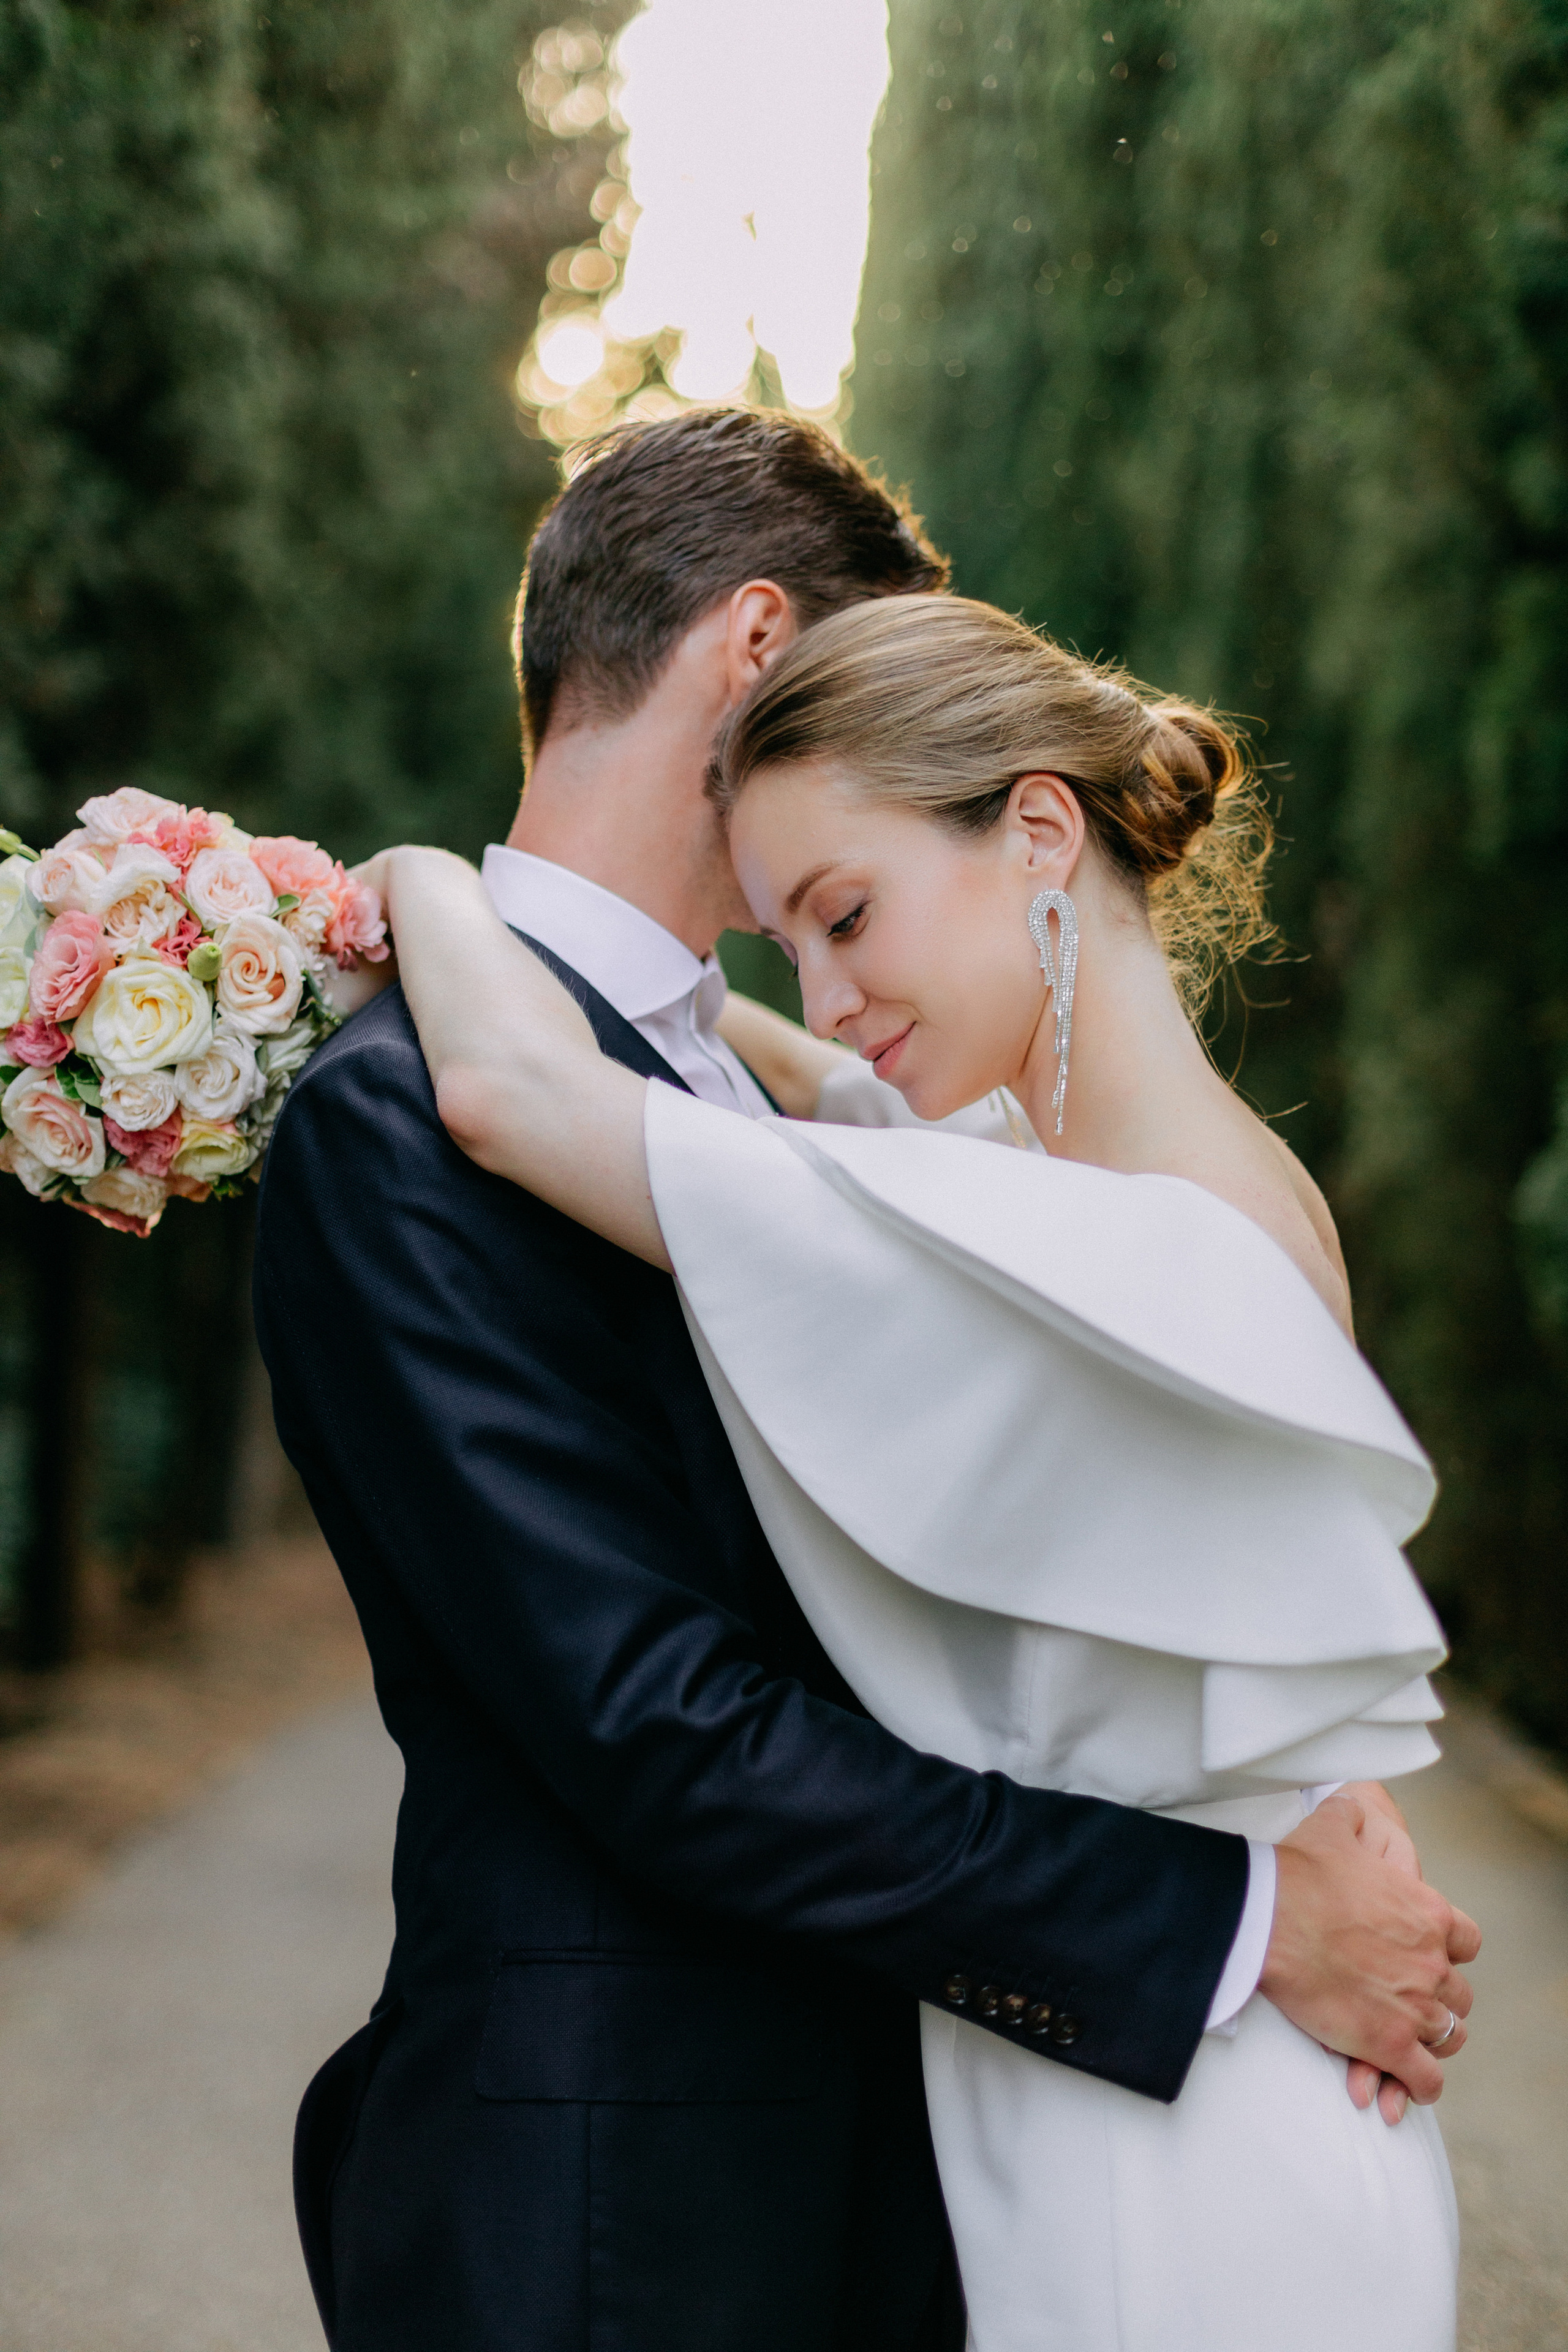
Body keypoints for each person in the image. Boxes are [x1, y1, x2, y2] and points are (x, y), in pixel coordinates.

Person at [254, 412, 1477, 2352]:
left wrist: (418, 882)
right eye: (804, 915)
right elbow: (666, 1728)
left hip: (1020, 2138)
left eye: (846, 910)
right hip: (635, 2214)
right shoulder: (400, 1123)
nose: (824, 989)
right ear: (754, 658)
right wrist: (1240, 1920)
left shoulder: (883, 1145)